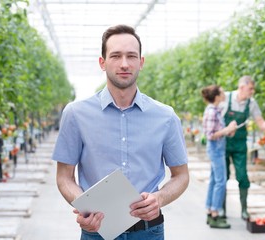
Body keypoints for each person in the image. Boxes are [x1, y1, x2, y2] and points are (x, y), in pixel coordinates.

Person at [52, 24, 189, 240]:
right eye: (115, 56)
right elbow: (64, 177)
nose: (124, 64)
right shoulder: (76, 114)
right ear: (102, 62)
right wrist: (85, 208)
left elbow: (181, 176)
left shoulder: (166, 116)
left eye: (131, 56)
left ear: (141, 62)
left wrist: (160, 198)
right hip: (97, 232)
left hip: (149, 232)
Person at [221, 75, 265, 220]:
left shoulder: (251, 103)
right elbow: (215, 118)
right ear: (241, 87)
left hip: (240, 144)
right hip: (223, 143)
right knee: (223, 176)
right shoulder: (226, 98)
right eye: (250, 88)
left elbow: (260, 123)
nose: (252, 91)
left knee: (242, 176)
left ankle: (244, 210)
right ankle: (220, 209)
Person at [201, 85, 237, 229]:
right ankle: (215, 213)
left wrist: (230, 130)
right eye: (222, 93)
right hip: (216, 150)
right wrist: (227, 129)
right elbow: (210, 135)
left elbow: (218, 131)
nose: (224, 94)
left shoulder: (216, 111)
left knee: (214, 180)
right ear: (216, 96)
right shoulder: (211, 112)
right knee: (221, 181)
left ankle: (210, 211)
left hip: (218, 149)